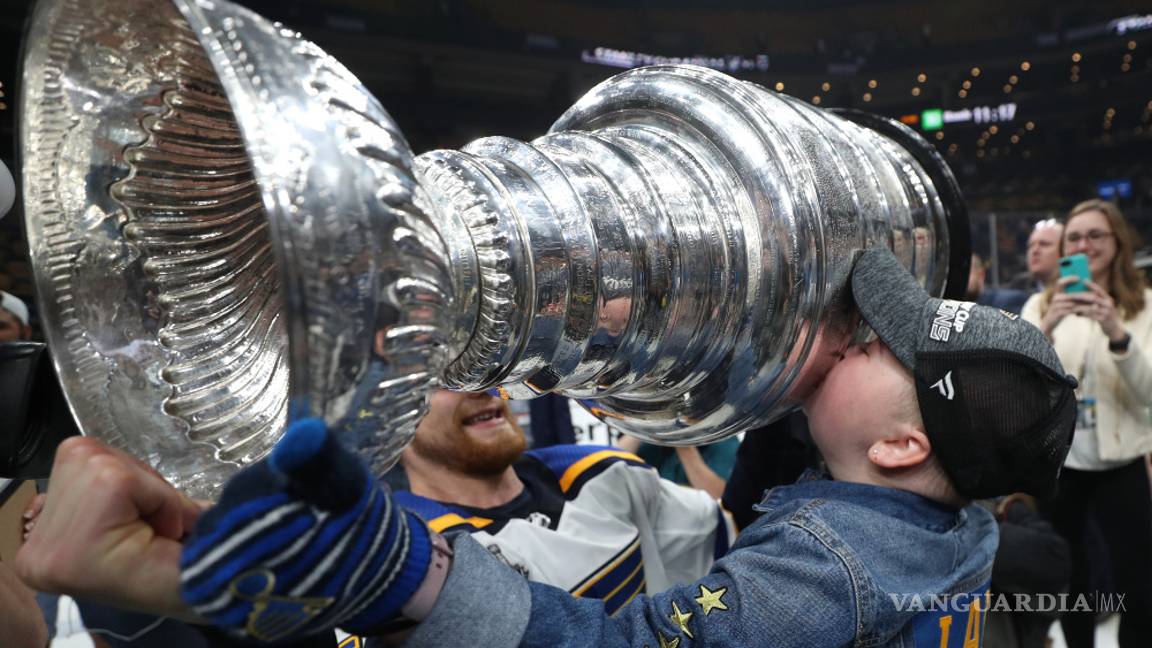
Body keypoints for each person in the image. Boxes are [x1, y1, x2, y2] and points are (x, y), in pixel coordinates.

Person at [16, 246, 1079, 648]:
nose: (479, 372)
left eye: (868, 346)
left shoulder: (627, 497)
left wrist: (388, 575)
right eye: (434, 359)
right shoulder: (922, 512)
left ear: (900, 444)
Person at [395, 389, 733, 610]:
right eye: (444, 377)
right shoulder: (401, 564)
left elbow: (730, 539)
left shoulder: (603, 472)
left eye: (480, 365)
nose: (479, 385)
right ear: (388, 413)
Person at [1021, 198, 1152, 648]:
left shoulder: (1143, 306)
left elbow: (1150, 394)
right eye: (1074, 237)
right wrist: (1047, 328)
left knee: (1139, 581)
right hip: (1063, 464)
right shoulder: (1040, 304)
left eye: (1095, 235)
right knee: (1069, 582)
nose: (1085, 244)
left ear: (1117, 240)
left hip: (1123, 464)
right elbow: (1017, 384)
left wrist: (1118, 332)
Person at [1009, 219, 1064, 293]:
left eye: (1044, 244)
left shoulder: (1076, 287)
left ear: (1064, 249)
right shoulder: (1019, 285)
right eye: (1030, 245)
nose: (1034, 251)